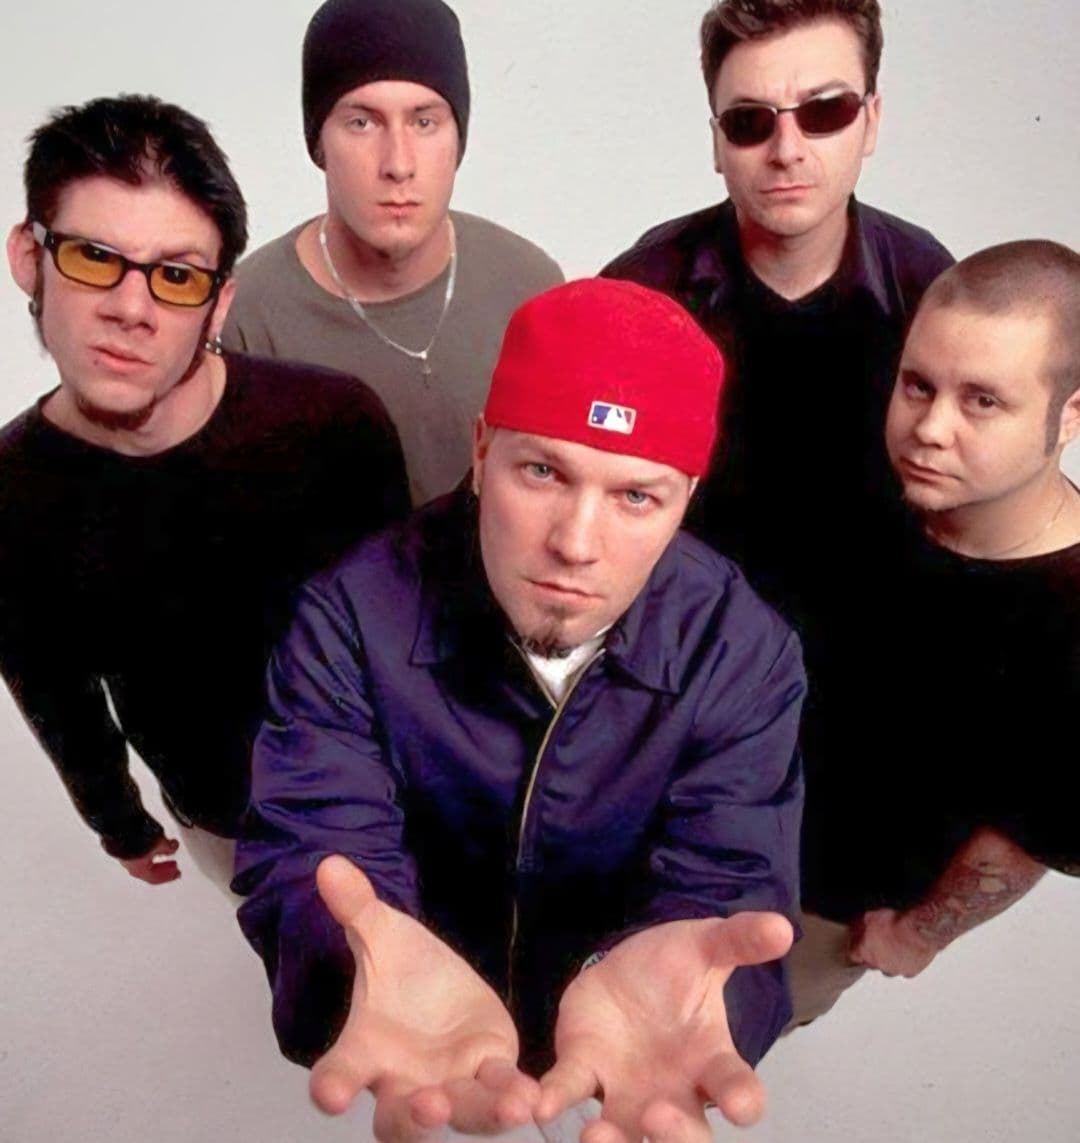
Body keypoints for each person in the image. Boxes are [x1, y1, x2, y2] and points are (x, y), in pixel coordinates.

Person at [235, 279, 806, 1141]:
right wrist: (353, 968)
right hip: (422, 1030)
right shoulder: (350, 614)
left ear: (688, 496)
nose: (575, 543)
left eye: (636, 496)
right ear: (481, 450)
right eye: (542, 471)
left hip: (627, 1037)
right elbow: (317, 838)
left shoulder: (742, 650)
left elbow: (730, 881)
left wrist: (704, 991)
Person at [0, 94, 409, 888]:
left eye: (176, 276)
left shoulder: (333, 423)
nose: (131, 308)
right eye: (93, 257)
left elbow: (411, 639)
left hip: (394, 803)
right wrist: (118, 820)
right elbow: (52, 685)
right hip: (226, 823)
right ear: (28, 257)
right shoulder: (12, 491)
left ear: (219, 302)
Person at [602, 0, 952, 655]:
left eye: (825, 112)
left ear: (871, 121)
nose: (786, 151)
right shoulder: (642, 292)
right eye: (749, 122)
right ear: (717, 142)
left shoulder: (928, 286)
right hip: (688, 671)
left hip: (894, 659)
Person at [790, 240, 1080, 1022]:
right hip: (688, 841)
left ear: (1071, 415)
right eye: (918, 385)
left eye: (983, 401)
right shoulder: (883, 489)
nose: (930, 428)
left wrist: (921, 932)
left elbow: (1038, 827)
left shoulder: (1069, 614)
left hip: (815, 913)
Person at [223, 0, 564, 505]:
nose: (398, 165)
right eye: (362, 123)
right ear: (319, 143)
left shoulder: (530, 287)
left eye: (424, 122)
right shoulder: (247, 316)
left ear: (458, 139)